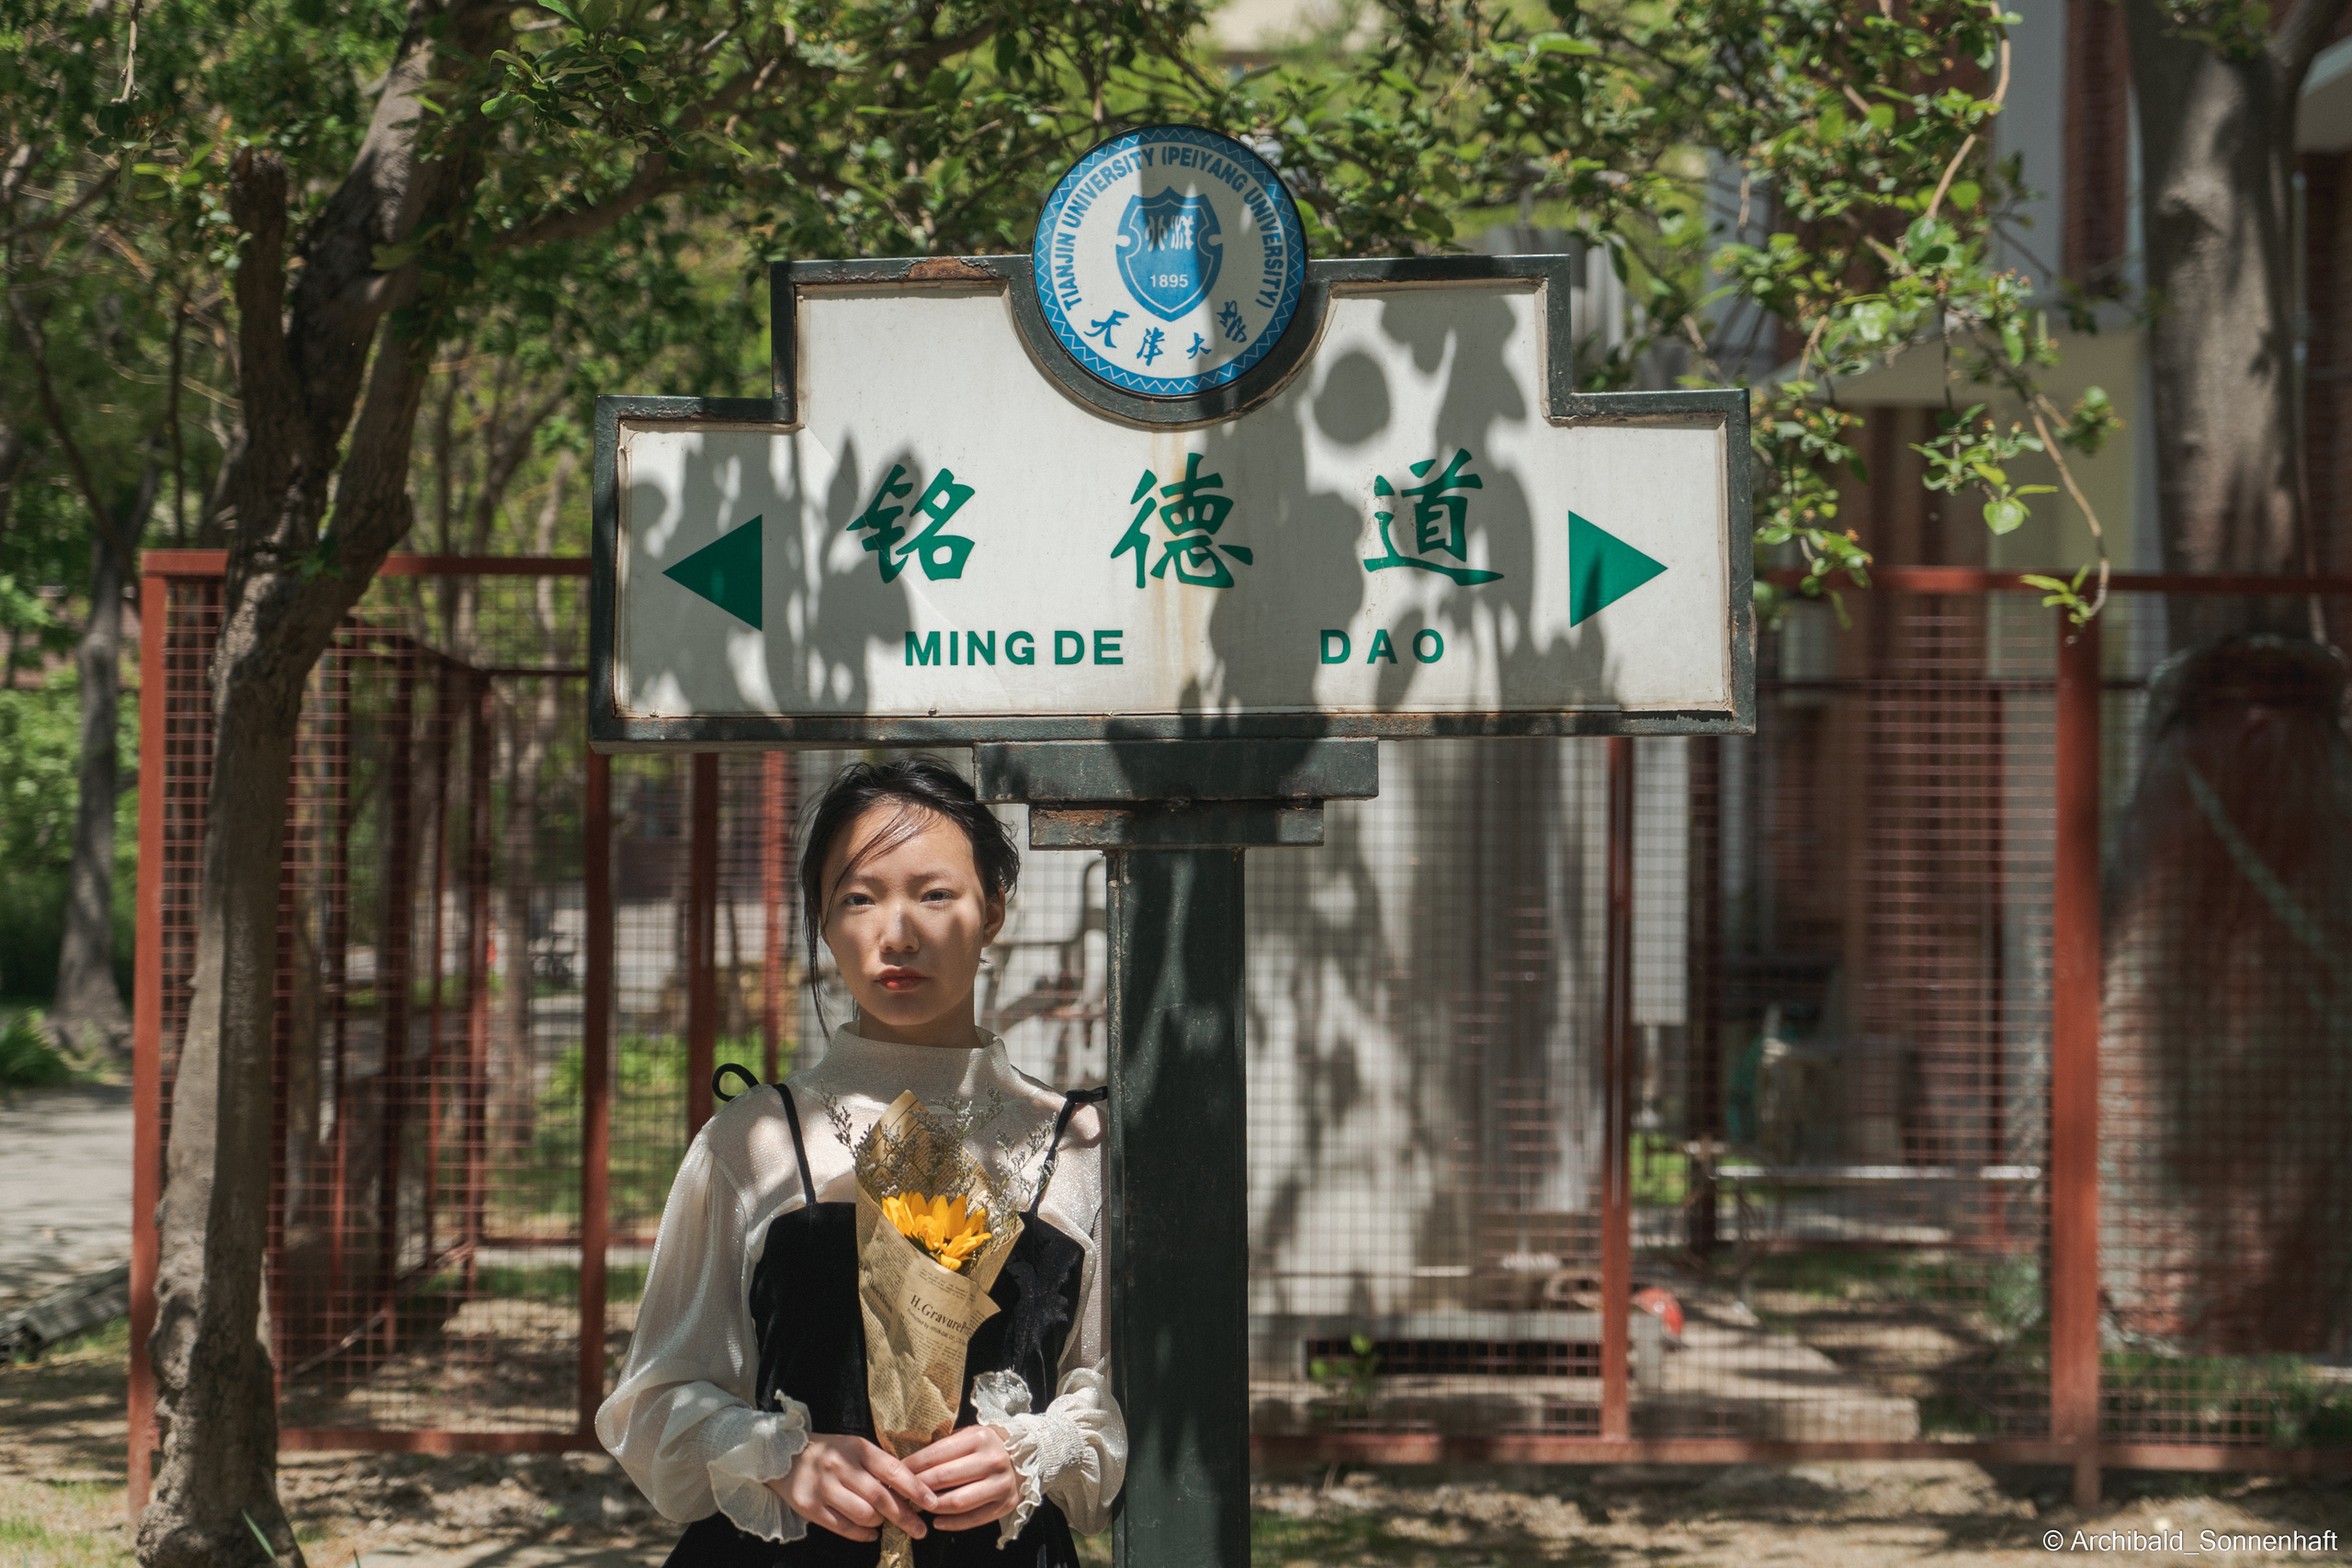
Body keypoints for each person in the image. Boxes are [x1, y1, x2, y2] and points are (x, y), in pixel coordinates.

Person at [598, 756, 1125, 1566]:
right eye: (859, 897)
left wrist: (1031, 1452)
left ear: (994, 911)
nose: (898, 932)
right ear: (823, 918)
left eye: (935, 893)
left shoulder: (1076, 1145)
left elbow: (1113, 1402)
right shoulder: (755, 1141)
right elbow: (652, 1405)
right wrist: (780, 1456)